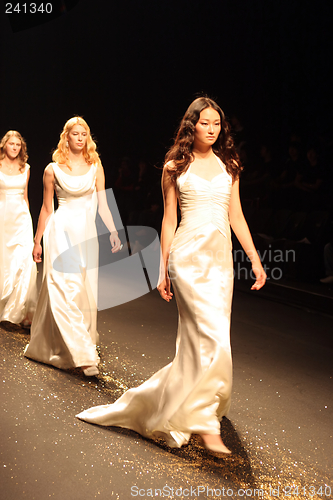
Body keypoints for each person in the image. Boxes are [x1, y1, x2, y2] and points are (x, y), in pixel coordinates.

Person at [76, 98, 266, 454]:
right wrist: (163, 269)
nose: (212, 129)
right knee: (207, 335)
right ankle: (206, 422)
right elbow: (169, 220)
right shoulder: (175, 166)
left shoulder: (231, 166)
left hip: (220, 260)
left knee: (211, 337)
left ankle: (193, 405)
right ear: (191, 125)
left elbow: (237, 216)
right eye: (205, 123)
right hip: (187, 257)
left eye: (217, 124)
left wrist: (254, 259)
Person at [24, 117, 121, 376]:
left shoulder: (95, 166)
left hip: (85, 234)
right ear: (66, 137)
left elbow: (103, 204)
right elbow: (47, 208)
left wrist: (113, 231)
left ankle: (62, 344)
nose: (80, 138)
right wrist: (37, 241)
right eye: (75, 134)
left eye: (84, 134)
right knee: (64, 287)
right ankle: (83, 355)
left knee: (83, 290)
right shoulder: (51, 169)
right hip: (59, 231)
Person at [0, 131, 37, 326]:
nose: (14, 147)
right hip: (2, 216)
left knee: (24, 261)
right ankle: (4, 305)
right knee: (4, 262)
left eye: (18, 145)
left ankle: (19, 311)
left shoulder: (26, 168)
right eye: (11, 144)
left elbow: (25, 197)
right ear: (4, 145)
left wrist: (28, 219)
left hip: (22, 218)